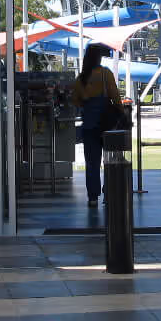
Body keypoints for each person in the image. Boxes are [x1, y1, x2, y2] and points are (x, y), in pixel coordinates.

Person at [70, 42, 127, 207]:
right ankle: (108, 193)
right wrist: (121, 112)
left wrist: (87, 103)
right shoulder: (105, 74)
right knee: (109, 160)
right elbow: (115, 96)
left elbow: (75, 100)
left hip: (89, 125)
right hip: (106, 125)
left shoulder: (81, 78)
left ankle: (92, 196)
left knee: (92, 162)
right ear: (98, 58)